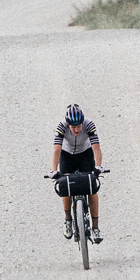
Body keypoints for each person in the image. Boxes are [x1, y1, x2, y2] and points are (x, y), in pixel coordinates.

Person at [51, 103, 105, 242]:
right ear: (68, 124)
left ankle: (95, 227)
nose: (76, 129)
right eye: (73, 127)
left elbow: (96, 147)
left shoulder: (89, 125)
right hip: (67, 155)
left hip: (85, 154)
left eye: (78, 126)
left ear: (82, 122)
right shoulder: (61, 127)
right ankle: (68, 220)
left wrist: (98, 166)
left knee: (92, 188)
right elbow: (57, 150)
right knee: (66, 186)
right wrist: (53, 170)